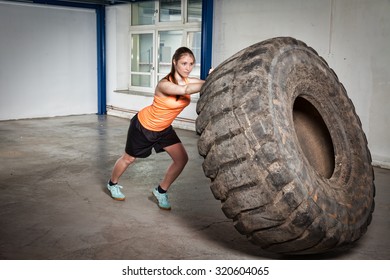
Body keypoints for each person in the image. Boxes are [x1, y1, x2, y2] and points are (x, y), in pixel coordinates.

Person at [107, 47, 205, 210]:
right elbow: (185, 90)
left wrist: (215, 76)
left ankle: (161, 190)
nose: (188, 68)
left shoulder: (189, 80)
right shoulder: (165, 84)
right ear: (175, 62)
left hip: (164, 129)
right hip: (144, 126)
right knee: (129, 159)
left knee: (181, 159)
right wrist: (210, 80)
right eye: (184, 63)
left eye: (191, 64)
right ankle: (112, 183)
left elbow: (202, 83)